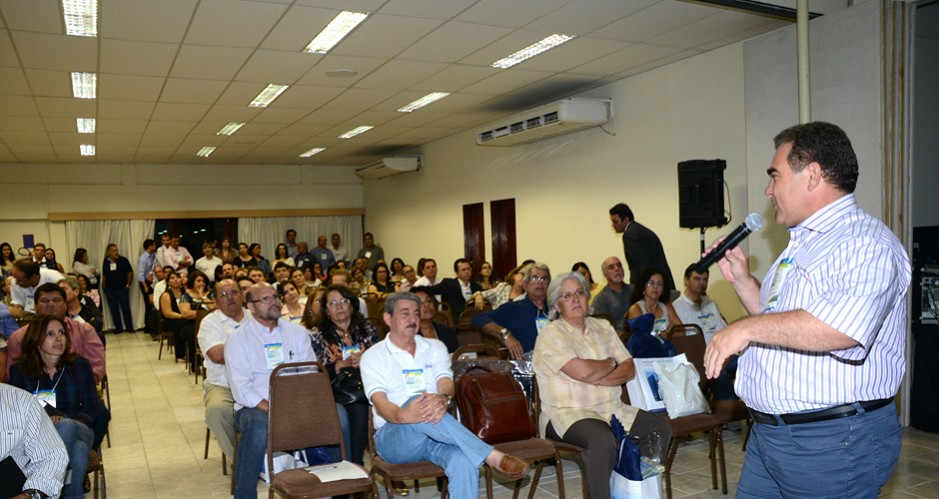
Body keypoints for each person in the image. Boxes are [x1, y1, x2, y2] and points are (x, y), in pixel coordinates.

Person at [703, 122, 911, 498]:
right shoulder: (801, 244)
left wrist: (743, 329)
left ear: (812, 175)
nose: (768, 190)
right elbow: (778, 322)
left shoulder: (865, 244)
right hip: (770, 437)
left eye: (775, 176)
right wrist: (743, 282)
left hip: (830, 441)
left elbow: (841, 329)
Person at [360, 292, 530, 498]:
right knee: (419, 400)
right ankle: (490, 455)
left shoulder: (435, 347)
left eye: (416, 313)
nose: (412, 319)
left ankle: (480, 456)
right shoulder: (373, 356)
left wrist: (443, 398)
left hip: (436, 431)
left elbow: (445, 383)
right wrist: (405, 415)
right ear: (388, 318)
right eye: (405, 313)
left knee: (464, 460)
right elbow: (380, 403)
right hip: (395, 436)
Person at [533, 272, 637, 499]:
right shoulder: (550, 334)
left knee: (657, 430)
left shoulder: (603, 326)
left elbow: (629, 369)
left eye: (580, 292)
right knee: (602, 441)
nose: (575, 299)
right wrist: (612, 362)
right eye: (567, 295)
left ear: (588, 297)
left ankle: (633, 491)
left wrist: (598, 377)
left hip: (612, 408)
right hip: (567, 414)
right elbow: (582, 371)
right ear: (557, 305)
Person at [224, 283, 319, 499]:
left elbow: (310, 374)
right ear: (251, 307)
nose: (273, 302)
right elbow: (241, 388)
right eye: (265, 299)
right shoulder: (238, 339)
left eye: (275, 297)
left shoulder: (297, 332)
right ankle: (244, 495)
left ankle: (340, 488)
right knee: (258, 426)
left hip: (295, 403)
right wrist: (273, 408)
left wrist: (298, 406)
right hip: (255, 406)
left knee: (338, 415)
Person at [8, 315, 99, 499]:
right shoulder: (20, 371)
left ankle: (40, 478)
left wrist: (66, 420)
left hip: (80, 428)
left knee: (67, 426)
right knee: (79, 451)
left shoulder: (79, 365)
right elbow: (16, 414)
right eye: (50, 334)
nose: (58, 338)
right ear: (36, 339)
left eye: (61, 333)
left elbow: (91, 408)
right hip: (39, 437)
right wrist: (45, 423)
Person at [311, 285, 379, 464]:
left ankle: (360, 464)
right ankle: (354, 464)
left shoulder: (367, 329)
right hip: (335, 390)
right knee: (356, 412)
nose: (339, 306)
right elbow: (315, 371)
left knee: (364, 409)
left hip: (367, 385)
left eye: (344, 301)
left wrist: (365, 359)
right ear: (326, 310)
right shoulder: (318, 335)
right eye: (332, 303)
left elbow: (382, 359)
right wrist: (338, 365)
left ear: (352, 305)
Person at [197, 279, 252, 464]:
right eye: (223, 294)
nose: (230, 297)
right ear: (215, 300)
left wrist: (234, 348)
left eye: (234, 292)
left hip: (257, 382)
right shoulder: (209, 322)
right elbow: (217, 355)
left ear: (242, 295)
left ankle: (272, 458)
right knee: (217, 411)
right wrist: (252, 347)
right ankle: (241, 462)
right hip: (223, 383)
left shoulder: (255, 316)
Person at [0, 383, 68, 499]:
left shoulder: (22, 402)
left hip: (12, 490)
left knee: (69, 429)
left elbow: (52, 456)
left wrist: (30, 494)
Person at [473, 263, 551, 359]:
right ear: (525, 284)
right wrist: (505, 334)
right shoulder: (514, 308)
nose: (540, 282)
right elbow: (479, 318)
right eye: (534, 278)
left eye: (544, 279)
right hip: (526, 364)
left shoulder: (557, 308)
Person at [609, 203, 676, 293]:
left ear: (626, 220)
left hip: (653, 289)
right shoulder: (641, 230)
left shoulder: (629, 234)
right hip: (663, 284)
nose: (613, 225)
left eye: (615, 222)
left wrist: (636, 291)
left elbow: (638, 266)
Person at [627, 267, 681, 335]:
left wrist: (665, 334)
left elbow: (682, 332)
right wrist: (667, 333)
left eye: (659, 284)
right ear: (643, 286)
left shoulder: (667, 306)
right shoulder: (636, 309)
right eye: (651, 283)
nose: (655, 287)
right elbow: (641, 336)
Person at [159, 270, 197, 368]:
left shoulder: (185, 293)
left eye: (178, 277)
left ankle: (193, 351)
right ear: (168, 282)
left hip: (184, 318)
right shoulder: (166, 295)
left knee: (192, 324)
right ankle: (180, 354)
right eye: (172, 278)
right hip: (169, 321)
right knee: (180, 324)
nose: (176, 280)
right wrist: (182, 316)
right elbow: (167, 313)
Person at [590, 257, 633, 331]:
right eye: (611, 267)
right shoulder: (600, 300)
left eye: (619, 265)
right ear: (605, 274)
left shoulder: (635, 290)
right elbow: (600, 328)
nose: (617, 269)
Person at [412, 287, 459, 353]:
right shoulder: (408, 336)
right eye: (420, 303)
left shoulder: (447, 332)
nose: (427, 305)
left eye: (429, 301)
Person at [101, 244, 134, 334]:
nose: (116, 252)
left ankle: (129, 327)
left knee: (126, 308)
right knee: (114, 310)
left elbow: (130, 272)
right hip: (110, 290)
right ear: (109, 252)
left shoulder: (123, 260)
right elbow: (104, 275)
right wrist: (104, 287)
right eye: (114, 251)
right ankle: (118, 328)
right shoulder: (105, 262)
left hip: (122, 289)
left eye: (116, 250)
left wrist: (128, 285)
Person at [137, 240, 158, 336]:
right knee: (149, 305)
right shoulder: (143, 258)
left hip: (153, 282)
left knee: (153, 304)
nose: (155, 247)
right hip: (146, 283)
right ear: (150, 246)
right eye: (154, 245)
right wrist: (145, 286)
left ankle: (153, 326)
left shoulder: (153, 256)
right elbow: (140, 274)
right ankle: (148, 327)